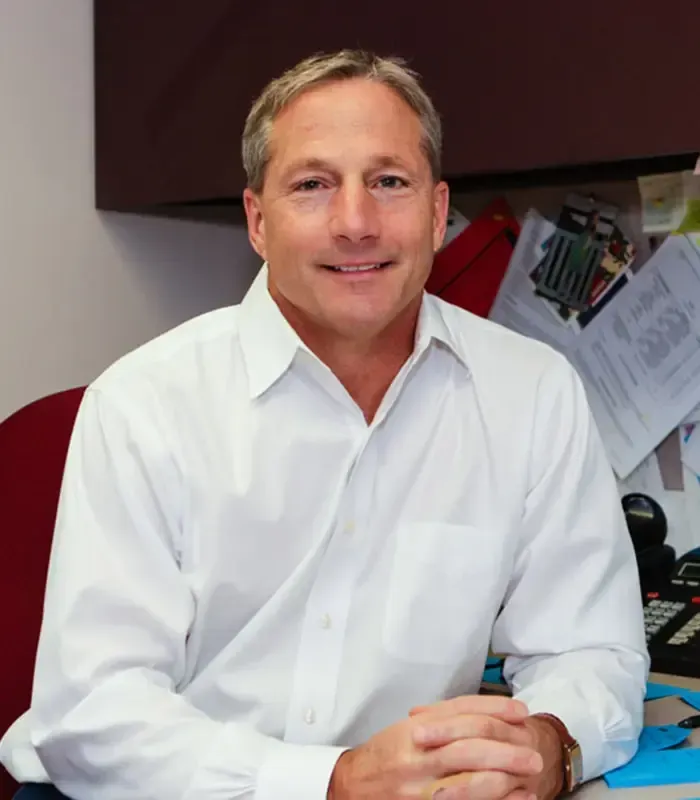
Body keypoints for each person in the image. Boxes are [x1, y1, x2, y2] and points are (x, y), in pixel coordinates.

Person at [0, 49, 648, 800]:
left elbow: (592, 649)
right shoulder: (143, 405)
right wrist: (333, 781)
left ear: (437, 214)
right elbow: (91, 717)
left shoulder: (532, 394)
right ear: (257, 222)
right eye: (312, 186)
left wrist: (545, 747)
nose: (356, 223)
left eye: (389, 183)